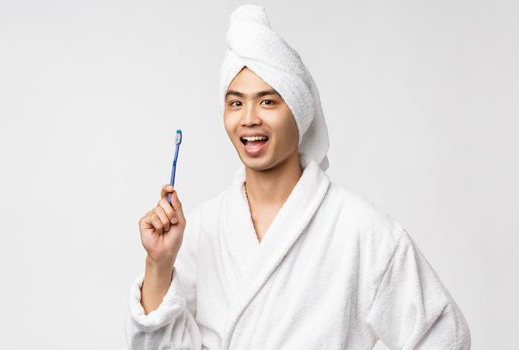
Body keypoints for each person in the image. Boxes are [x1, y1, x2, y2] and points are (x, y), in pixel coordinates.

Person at [124, 4, 471, 350]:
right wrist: (159, 263)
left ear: (298, 110)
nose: (248, 119)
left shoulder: (360, 230)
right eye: (235, 103)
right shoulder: (200, 230)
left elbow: (443, 337)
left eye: (268, 102)